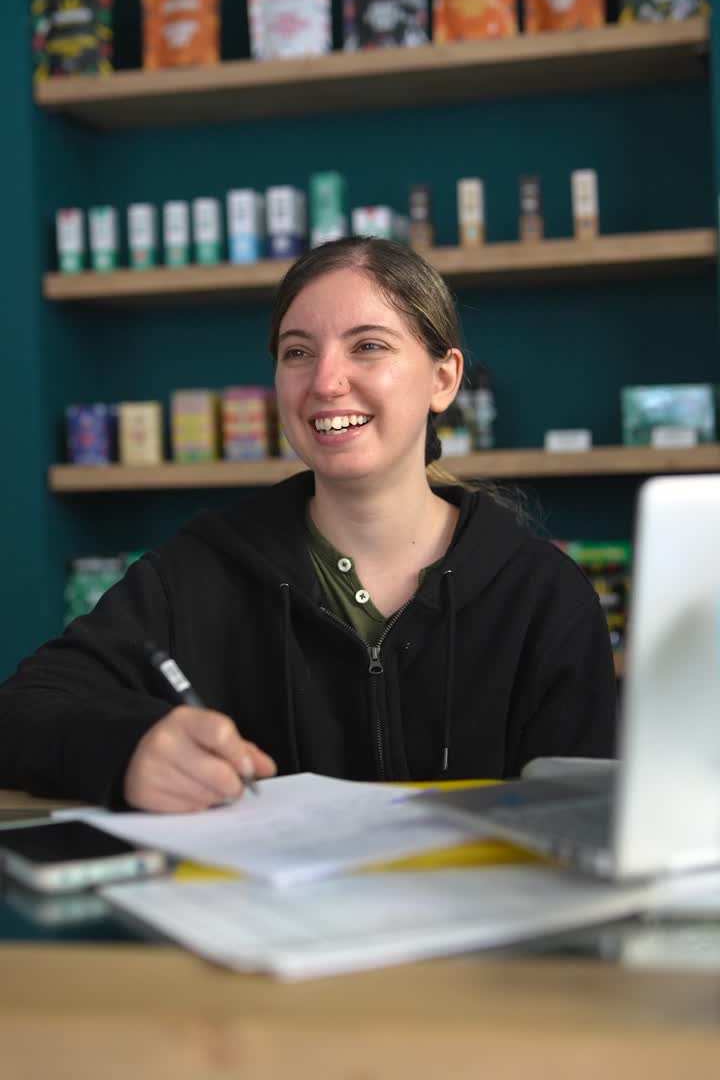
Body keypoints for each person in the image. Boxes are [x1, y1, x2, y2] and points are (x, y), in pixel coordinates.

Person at [0, 237, 616, 810]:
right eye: (298, 352)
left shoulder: (543, 595)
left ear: (444, 378)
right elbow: (18, 714)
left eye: (368, 345)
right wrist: (128, 749)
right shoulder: (196, 575)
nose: (325, 381)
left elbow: (588, 820)